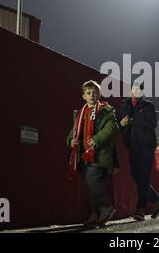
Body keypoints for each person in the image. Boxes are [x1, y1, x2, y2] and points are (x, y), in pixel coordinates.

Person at [67, 80, 120, 228]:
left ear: (99, 95)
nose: (92, 95)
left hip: (99, 154)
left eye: (94, 93)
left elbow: (112, 129)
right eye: (88, 93)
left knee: (92, 181)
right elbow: (73, 133)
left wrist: (96, 139)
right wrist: (71, 141)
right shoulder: (81, 113)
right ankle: (95, 215)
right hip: (84, 156)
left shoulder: (106, 111)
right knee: (90, 186)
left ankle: (106, 208)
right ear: (83, 96)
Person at [119, 82, 159, 221]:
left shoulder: (148, 105)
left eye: (139, 89)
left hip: (146, 145)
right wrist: (122, 124)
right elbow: (119, 125)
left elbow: (152, 123)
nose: (136, 91)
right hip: (133, 146)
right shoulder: (124, 106)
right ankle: (156, 200)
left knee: (144, 176)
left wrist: (133, 120)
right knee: (135, 176)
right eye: (134, 88)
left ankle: (141, 209)